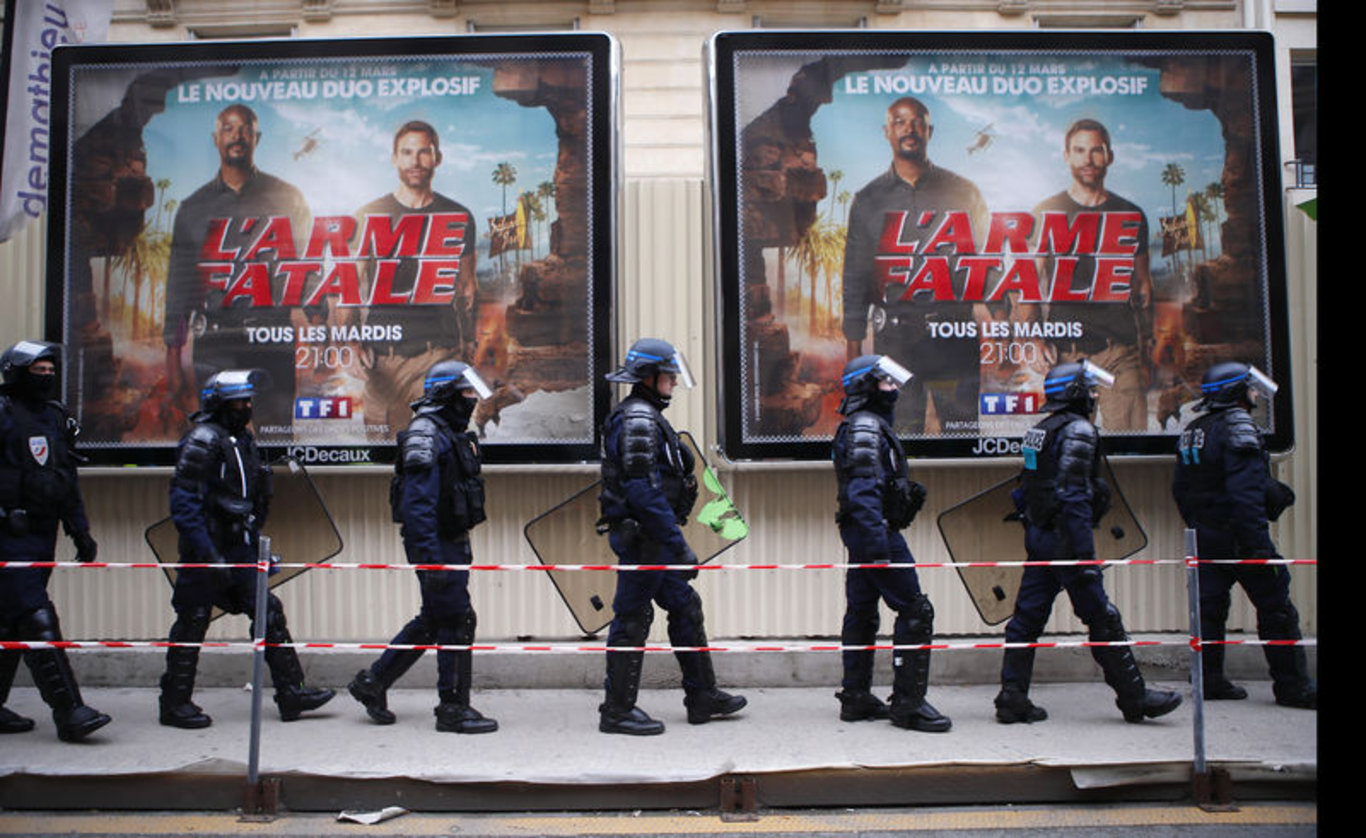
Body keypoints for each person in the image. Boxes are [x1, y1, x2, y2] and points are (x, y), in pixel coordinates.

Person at [995, 360, 1182, 724]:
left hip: (1041, 536)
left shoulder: (1043, 428)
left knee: (1026, 620)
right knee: (1102, 616)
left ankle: (1011, 697)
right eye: (1091, 389)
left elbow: (1029, 485)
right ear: (1077, 393)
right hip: (1066, 540)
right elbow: (1073, 494)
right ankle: (1135, 698)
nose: (1096, 395)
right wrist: (1083, 555)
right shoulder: (1078, 430)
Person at [158, 369, 334, 728]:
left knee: (268, 612)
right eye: (238, 401)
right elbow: (184, 504)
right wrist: (206, 552)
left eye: (248, 400)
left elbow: (250, 499)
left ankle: (291, 692)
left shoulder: (242, 440)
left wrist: (256, 546)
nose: (246, 407)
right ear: (218, 403)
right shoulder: (203, 440)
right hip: (204, 552)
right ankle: (174, 703)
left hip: (240, 548)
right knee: (192, 622)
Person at [596, 339, 746, 735]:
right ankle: (616, 711)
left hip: (655, 539)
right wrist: (678, 547)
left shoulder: (644, 416)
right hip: (645, 540)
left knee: (685, 606)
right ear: (649, 377)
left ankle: (703, 696)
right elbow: (644, 492)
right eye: (669, 375)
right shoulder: (639, 422)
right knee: (632, 618)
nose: (675, 382)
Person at [347, 361, 498, 733]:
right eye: (466, 392)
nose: (471, 400)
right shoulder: (426, 434)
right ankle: (452, 709)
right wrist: (430, 562)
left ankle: (374, 682)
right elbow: (418, 507)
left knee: (436, 618)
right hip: (437, 547)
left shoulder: (447, 431)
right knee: (458, 620)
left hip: (451, 543)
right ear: (446, 394)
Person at [841, 97, 989, 436]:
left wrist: (1004, 325)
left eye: (917, 121)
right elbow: (856, 274)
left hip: (954, 338)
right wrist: (853, 344)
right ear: (887, 132)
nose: (909, 128)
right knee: (899, 442)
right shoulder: (868, 200)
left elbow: (985, 263)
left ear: (929, 130)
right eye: (899, 121)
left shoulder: (964, 193)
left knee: (963, 440)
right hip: (895, 344)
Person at [1172, 362, 1315, 709]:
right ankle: (1293, 687)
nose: (1255, 394)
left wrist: (1199, 526)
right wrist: (1257, 544)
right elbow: (1245, 492)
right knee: (1277, 610)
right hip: (1241, 536)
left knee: (1208, 612)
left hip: (1206, 536)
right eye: (1250, 388)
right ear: (1235, 391)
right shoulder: (1238, 425)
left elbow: (1181, 488)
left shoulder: (1196, 428)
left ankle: (1209, 680)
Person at [164, 104, 311, 439]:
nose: (237, 137)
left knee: (278, 442)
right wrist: (173, 354)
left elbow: (306, 268)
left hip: (271, 341)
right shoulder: (193, 208)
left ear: (256, 138)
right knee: (214, 443)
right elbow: (179, 284)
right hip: (215, 344)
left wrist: (319, 332)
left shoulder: (287, 198)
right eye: (229, 129)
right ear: (216, 139)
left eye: (245, 129)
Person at [832, 354, 951, 733]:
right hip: (876, 533)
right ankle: (908, 705)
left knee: (862, 612)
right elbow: (863, 491)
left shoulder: (863, 425)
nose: (894, 389)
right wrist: (878, 545)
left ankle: (855, 698)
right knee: (916, 611)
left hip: (867, 531)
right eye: (886, 382)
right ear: (867, 387)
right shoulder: (866, 428)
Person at [0, 341, 111, 741]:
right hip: (7, 540)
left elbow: (66, 479)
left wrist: (79, 530)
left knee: (10, 624)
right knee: (35, 616)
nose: (46, 377)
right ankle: (70, 712)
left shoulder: (54, 417)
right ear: (15, 372)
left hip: (41, 537)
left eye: (50, 370)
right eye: (37, 371)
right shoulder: (2, 413)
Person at [353, 120, 479, 441]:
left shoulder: (458, 216)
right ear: (394, 158)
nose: (415, 161)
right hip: (385, 360)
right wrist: (350, 340)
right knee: (384, 460)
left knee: (442, 454)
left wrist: (469, 343)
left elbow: (466, 288)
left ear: (437, 158)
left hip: (439, 353)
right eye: (407, 152)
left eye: (424, 152)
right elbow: (351, 286)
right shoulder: (370, 214)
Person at [1033, 119, 1154, 432]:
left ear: (1109, 156)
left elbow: (1143, 288)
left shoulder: (1131, 214)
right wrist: (1032, 338)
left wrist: (1148, 348)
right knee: (1066, 449)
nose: (1088, 159)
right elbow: (1028, 284)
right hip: (1065, 354)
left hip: (1118, 352)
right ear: (1067, 156)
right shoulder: (1046, 211)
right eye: (1079, 150)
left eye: (1096, 151)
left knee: (1130, 451)